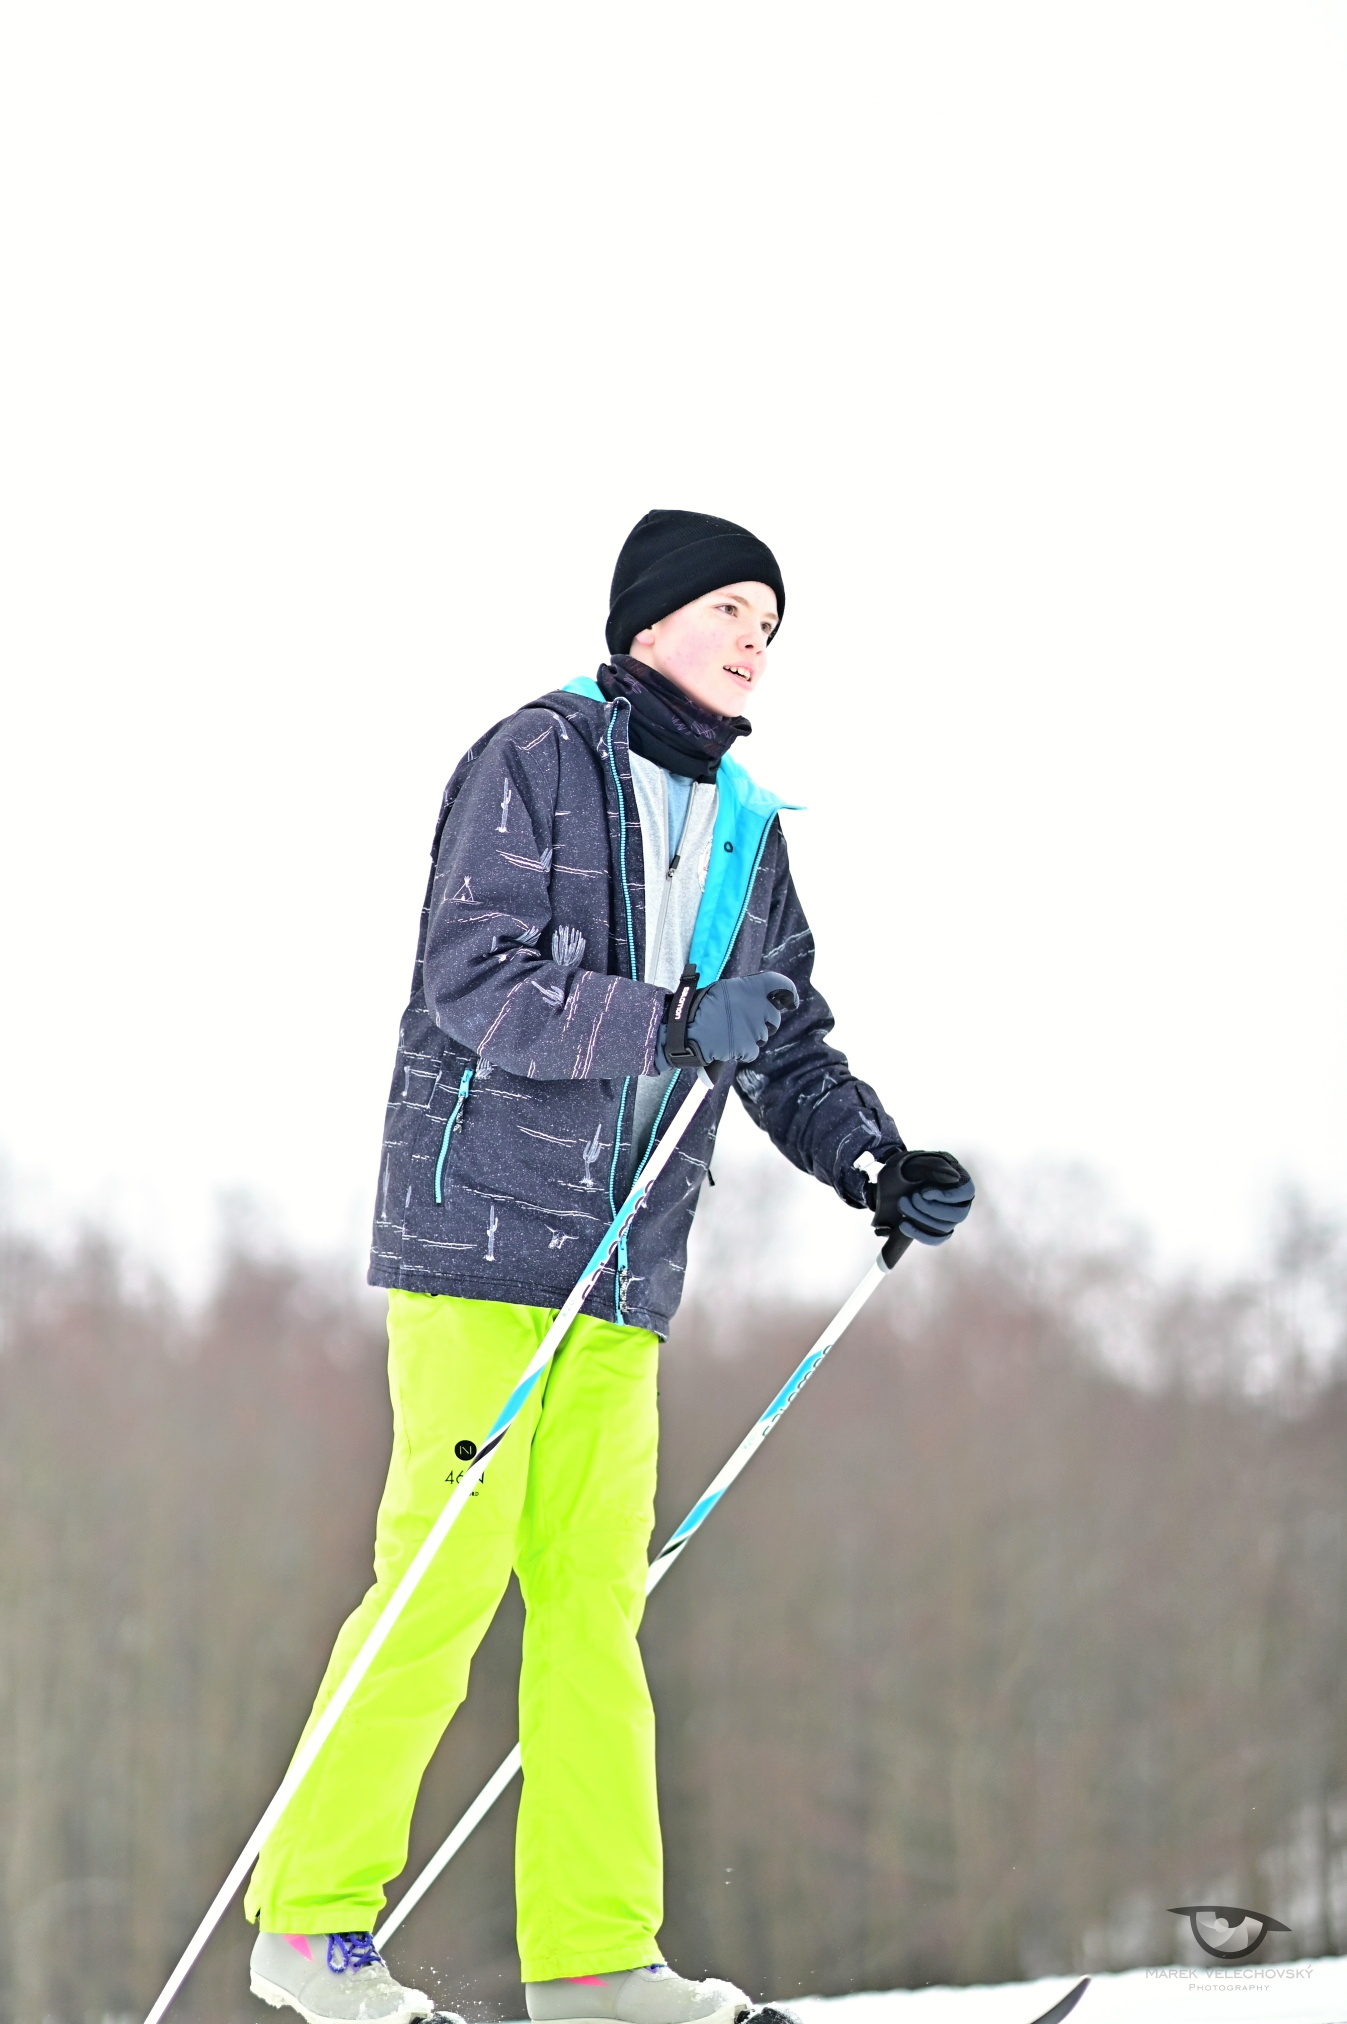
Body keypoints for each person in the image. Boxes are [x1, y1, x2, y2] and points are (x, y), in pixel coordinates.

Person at [244, 510, 974, 2024]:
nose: (755, 639)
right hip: (481, 1238)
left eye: (771, 622)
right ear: (648, 621)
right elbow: (474, 979)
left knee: (594, 1610)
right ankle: (309, 1930)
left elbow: (783, 1039)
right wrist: (667, 1024)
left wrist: (875, 1164)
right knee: (442, 1580)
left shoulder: (749, 825)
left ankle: (594, 1964)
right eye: (731, 608)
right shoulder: (537, 758)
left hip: (628, 1270)